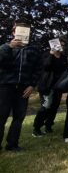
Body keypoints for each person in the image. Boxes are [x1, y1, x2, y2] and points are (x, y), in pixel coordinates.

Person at [0, 20, 42, 151]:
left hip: (24, 88)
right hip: (5, 87)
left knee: (19, 117)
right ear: (13, 32)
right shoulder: (5, 47)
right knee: (1, 117)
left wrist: (32, 85)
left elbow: (38, 70)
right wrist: (9, 47)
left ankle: (12, 144)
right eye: (18, 30)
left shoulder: (34, 50)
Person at [33, 35, 68, 136]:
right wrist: (51, 55)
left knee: (54, 107)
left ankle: (48, 126)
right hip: (47, 86)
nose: (60, 47)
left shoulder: (63, 57)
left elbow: (66, 70)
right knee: (46, 106)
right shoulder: (46, 54)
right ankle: (36, 127)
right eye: (59, 44)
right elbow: (45, 66)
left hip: (58, 86)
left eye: (62, 45)